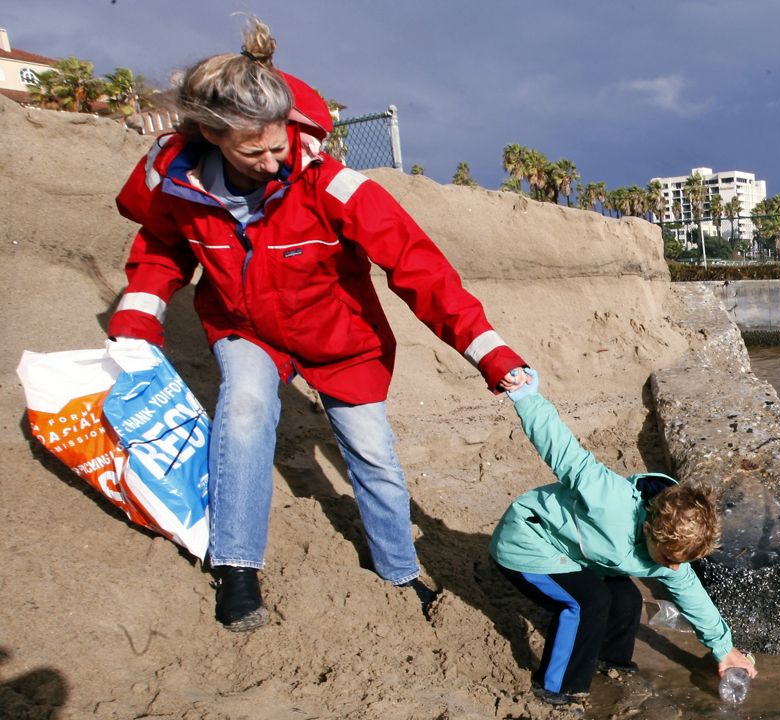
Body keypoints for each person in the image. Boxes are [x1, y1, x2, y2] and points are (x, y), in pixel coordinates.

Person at [107, 16, 528, 632]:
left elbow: (420, 269)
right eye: (254, 151)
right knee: (245, 413)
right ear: (211, 136)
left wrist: (489, 353)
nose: (274, 161)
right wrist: (138, 313)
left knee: (373, 456)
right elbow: (163, 251)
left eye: (279, 144)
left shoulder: (334, 187)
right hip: (244, 327)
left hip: (342, 342)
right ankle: (238, 569)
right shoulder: (183, 187)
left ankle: (399, 571)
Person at [490, 370, 757, 706]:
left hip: (576, 553)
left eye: (682, 562)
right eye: (669, 560)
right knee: (588, 602)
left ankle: (609, 662)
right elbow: (560, 449)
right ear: (649, 529)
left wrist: (724, 649)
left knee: (626, 600)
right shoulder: (608, 498)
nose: (674, 570)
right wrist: (525, 396)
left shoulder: (669, 551)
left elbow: (692, 596)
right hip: (529, 542)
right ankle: (558, 689)